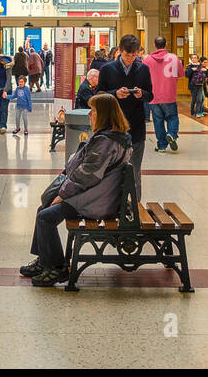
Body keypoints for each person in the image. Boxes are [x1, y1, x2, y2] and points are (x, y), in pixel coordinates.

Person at [20, 93, 133, 286]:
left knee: (45, 217)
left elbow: (87, 175)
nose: (90, 114)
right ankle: (44, 260)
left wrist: (62, 195)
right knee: (43, 210)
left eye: (94, 110)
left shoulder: (106, 141)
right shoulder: (113, 136)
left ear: (104, 114)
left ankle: (57, 268)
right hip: (99, 194)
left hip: (95, 199)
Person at [95, 34, 154, 200]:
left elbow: (150, 95)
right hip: (112, 127)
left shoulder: (143, 69)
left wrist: (141, 94)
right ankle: (111, 206)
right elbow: (99, 95)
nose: (130, 59)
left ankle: (136, 208)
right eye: (128, 55)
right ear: (120, 51)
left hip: (135, 127)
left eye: (134, 55)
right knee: (110, 171)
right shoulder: (107, 69)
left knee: (134, 170)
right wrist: (115, 94)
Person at [144, 36, 183, 153]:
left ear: (155, 46)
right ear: (166, 45)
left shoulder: (147, 59)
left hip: (153, 96)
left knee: (158, 120)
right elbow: (180, 74)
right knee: (172, 117)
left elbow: (143, 76)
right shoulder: (174, 58)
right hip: (169, 94)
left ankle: (161, 146)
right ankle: (171, 134)